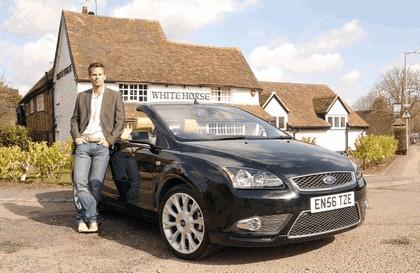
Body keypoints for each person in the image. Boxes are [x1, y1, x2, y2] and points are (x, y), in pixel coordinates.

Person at [70, 62, 125, 233]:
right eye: (93, 74)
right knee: (80, 182)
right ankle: (92, 218)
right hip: (84, 145)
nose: (96, 77)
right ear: (90, 77)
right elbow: (74, 120)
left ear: (104, 76)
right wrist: (77, 137)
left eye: (99, 74)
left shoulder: (114, 96)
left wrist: (109, 141)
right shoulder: (82, 96)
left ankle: (83, 219)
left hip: (102, 146)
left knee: (95, 184)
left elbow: (120, 122)